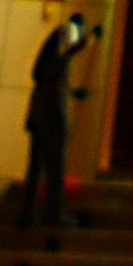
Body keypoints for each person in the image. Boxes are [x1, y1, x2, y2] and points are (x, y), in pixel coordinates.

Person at [21, 13, 90, 233]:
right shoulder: (62, 43)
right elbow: (63, 55)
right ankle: (53, 212)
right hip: (52, 116)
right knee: (55, 166)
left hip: (39, 115)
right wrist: (79, 44)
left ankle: (28, 212)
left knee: (35, 167)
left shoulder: (44, 71)